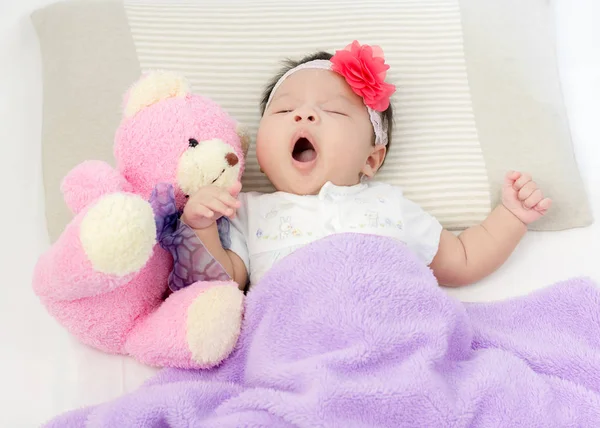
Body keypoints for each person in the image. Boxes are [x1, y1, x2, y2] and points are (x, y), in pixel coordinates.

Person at [182, 40, 551, 290]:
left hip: (391, 330)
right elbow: (225, 283)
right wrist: (201, 228)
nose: (304, 116)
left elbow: (464, 257)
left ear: (371, 159)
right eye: (285, 110)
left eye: (331, 111)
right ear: (259, 155)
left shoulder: (388, 206)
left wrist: (512, 216)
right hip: (297, 339)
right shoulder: (246, 211)